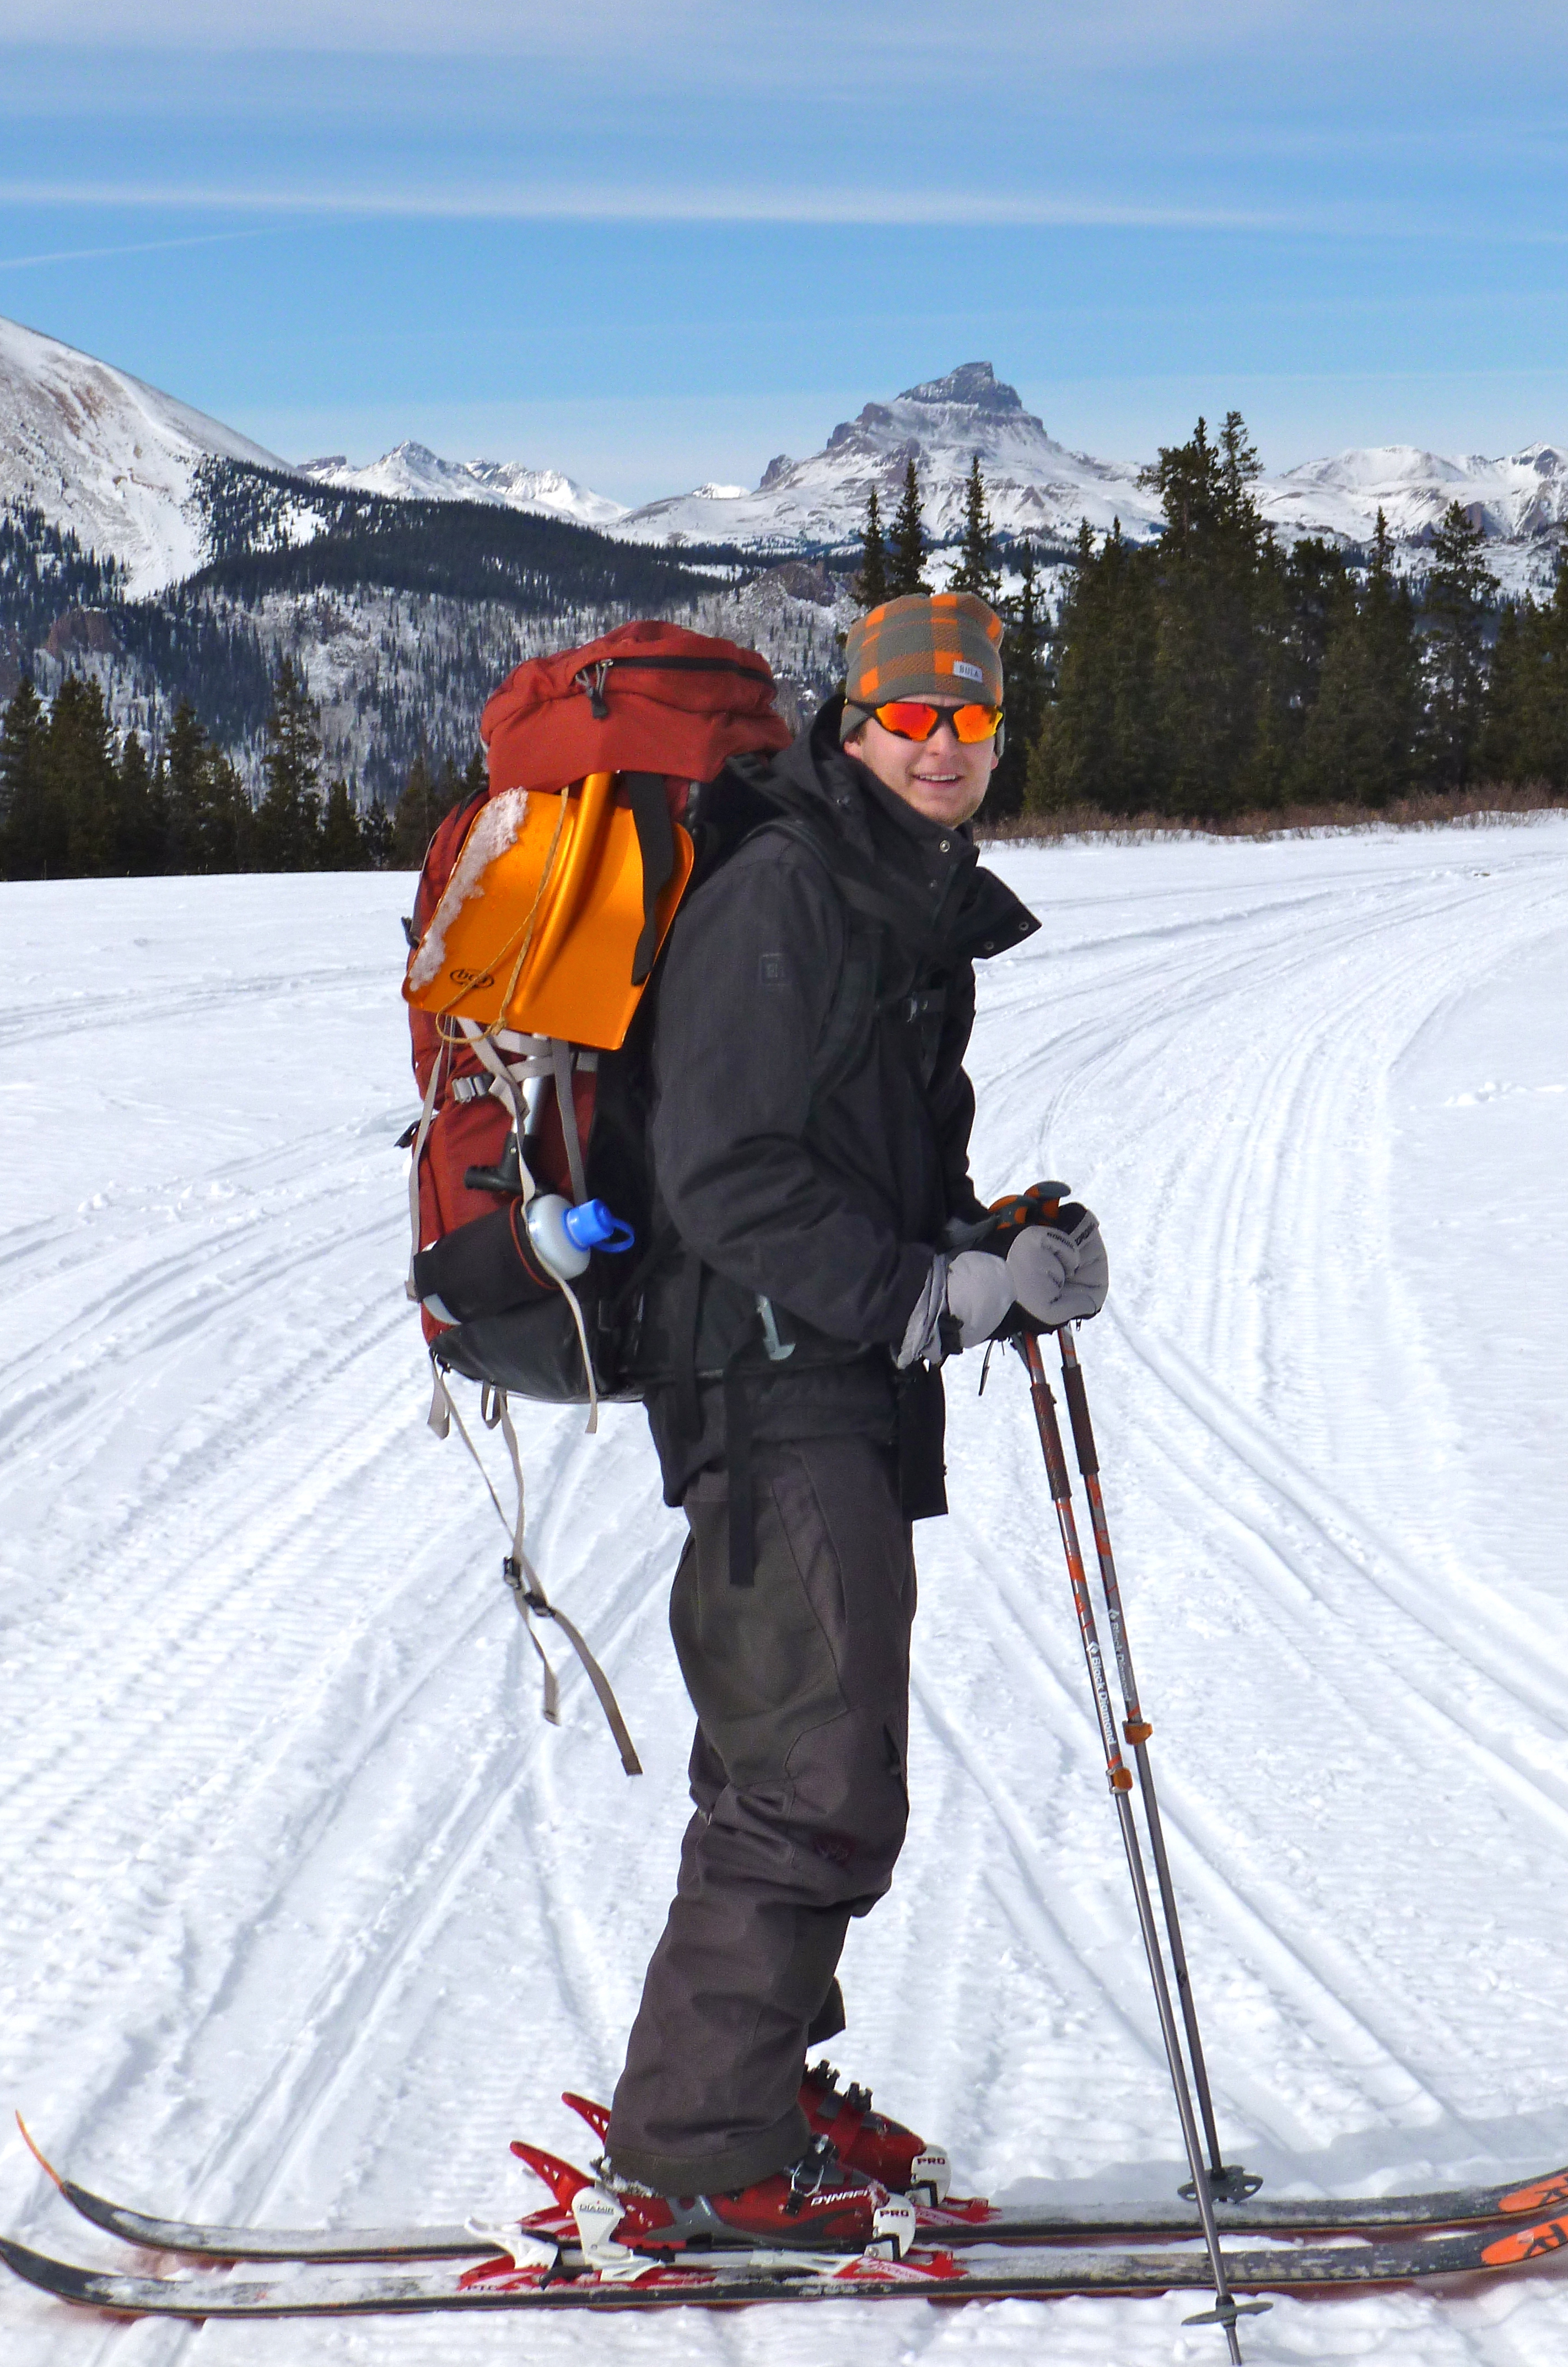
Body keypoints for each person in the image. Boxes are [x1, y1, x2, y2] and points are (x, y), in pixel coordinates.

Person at [600, 591, 1108, 2246]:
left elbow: (879, 1172)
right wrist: (909, 1294)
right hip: (765, 1384)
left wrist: (995, 1249)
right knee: (811, 1780)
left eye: (974, 719)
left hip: (829, 1382)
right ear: (857, 722)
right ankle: (697, 2156)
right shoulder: (787, 895)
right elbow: (721, 1172)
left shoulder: (902, 902)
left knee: (812, 1753)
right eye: (915, 718)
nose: (946, 746)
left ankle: (758, 2088)